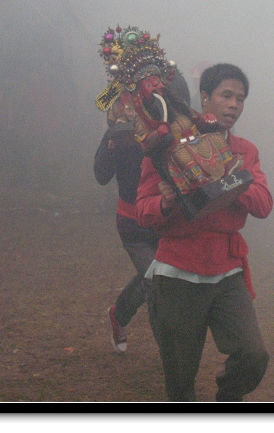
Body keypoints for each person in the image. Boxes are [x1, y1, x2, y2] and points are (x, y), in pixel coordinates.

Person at [136, 63, 273, 402]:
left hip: (227, 272)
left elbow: (264, 204)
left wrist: (229, 178)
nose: (234, 105)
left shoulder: (243, 151)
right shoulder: (164, 148)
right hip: (178, 273)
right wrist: (165, 203)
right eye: (226, 96)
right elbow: (143, 210)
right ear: (204, 97)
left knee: (253, 355)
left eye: (240, 99)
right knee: (180, 380)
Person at [93, 25, 190, 353]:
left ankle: (119, 314)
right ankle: (174, 359)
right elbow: (101, 175)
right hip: (133, 223)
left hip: (166, 217)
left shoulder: (172, 126)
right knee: (157, 283)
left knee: (159, 277)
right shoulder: (120, 132)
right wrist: (113, 140)